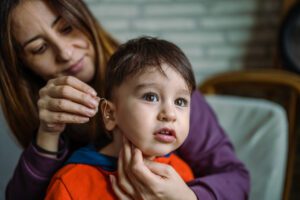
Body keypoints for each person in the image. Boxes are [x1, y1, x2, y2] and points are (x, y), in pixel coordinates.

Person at [0, 0, 250, 199]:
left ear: (85, 19)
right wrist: (47, 134)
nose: (65, 53)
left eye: (67, 28)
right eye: (39, 48)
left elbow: (236, 178)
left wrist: (190, 197)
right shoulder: (70, 179)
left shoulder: (166, 82)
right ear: (23, 65)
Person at [45, 36, 197, 199]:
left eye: (180, 101)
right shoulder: (69, 184)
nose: (170, 114)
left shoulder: (180, 176)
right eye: (151, 97)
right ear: (110, 114)